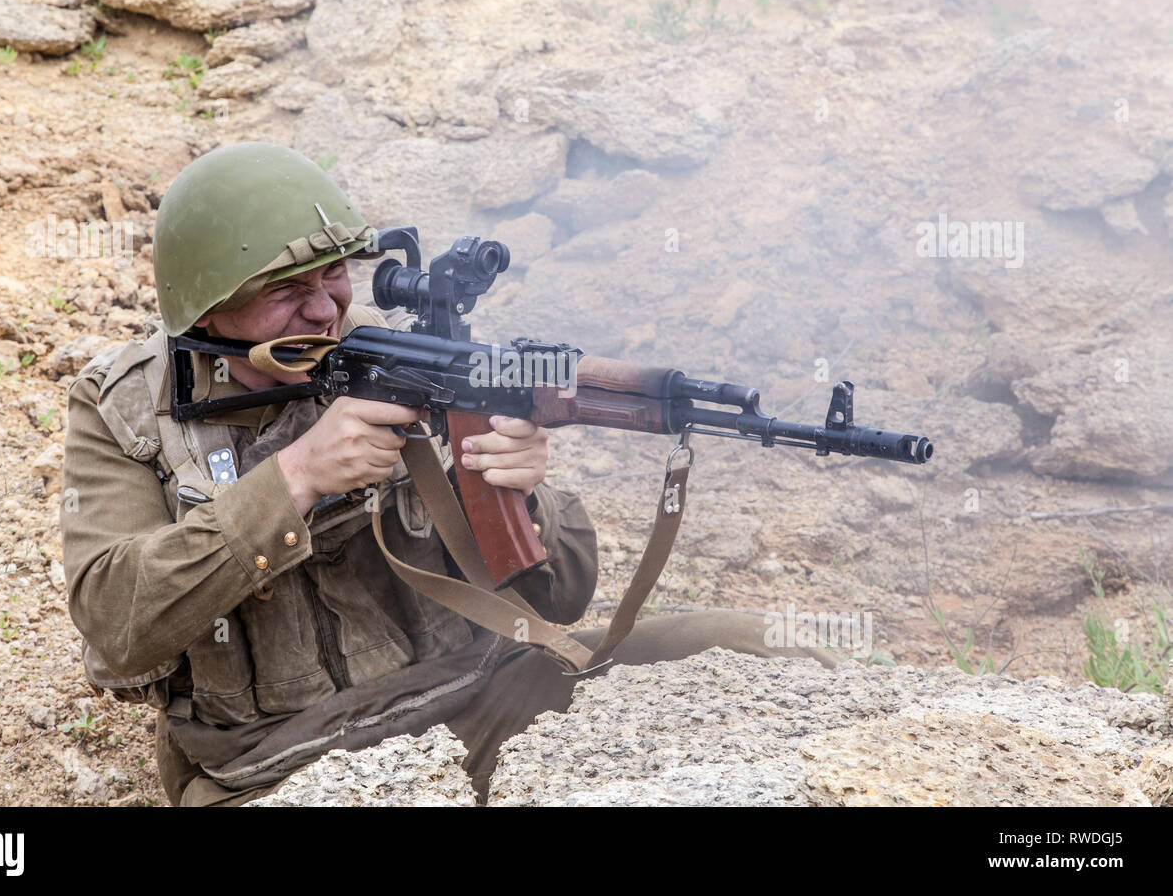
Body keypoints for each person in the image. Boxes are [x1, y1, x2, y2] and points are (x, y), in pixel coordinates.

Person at [60, 141, 842, 806]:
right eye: (284, 292)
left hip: (480, 692)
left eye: (334, 276)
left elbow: (559, 599)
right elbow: (116, 624)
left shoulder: (398, 360)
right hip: (274, 761)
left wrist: (524, 497)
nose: (324, 309)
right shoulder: (128, 411)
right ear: (206, 310)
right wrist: (293, 479)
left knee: (766, 647)